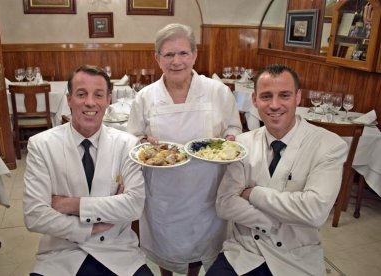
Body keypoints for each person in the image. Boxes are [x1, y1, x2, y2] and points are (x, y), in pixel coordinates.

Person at [206, 64, 348, 276]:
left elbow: (314, 212)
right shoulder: (242, 144)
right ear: (254, 100)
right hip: (245, 251)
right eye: (266, 96)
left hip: (297, 257)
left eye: (284, 95)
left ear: (298, 97)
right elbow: (225, 204)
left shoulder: (328, 145)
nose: (274, 105)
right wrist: (274, 222)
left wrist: (252, 193)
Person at [127, 23, 242, 276]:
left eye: (183, 53)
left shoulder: (218, 92)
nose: (176, 61)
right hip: (163, 194)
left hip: (206, 191)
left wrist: (231, 137)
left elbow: (234, 129)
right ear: (157, 59)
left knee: (200, 248)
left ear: (195, 55)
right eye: (168, 54)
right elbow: (132, 138)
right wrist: (142, 142)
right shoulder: (145, 97)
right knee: (165, 246)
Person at [23, 64, 153, 276]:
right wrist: (90, 228)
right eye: (81, 94)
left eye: (98, 95)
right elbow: (35, 216)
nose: (90, 102)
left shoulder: (127, 144)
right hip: (62, 252)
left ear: (108, 100)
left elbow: (134, 206)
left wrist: (70, 205)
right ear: (69, 99)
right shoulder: (41, 145)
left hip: (117, 251)